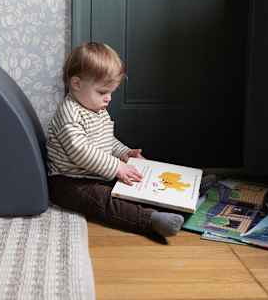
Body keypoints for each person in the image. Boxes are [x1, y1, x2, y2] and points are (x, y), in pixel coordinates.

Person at [45, 42, 185, 239]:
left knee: (134, 181)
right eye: (102, 92)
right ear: (76, 84)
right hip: (69, 182)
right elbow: (81, 151)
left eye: (111, 92)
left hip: (97, 172)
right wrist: (117, 167)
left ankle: (182, 194)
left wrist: (124, 153)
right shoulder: (70, 114)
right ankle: (149, 220)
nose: (108, 98)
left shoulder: (96, 108)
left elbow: (106, 140)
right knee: (104, 200)